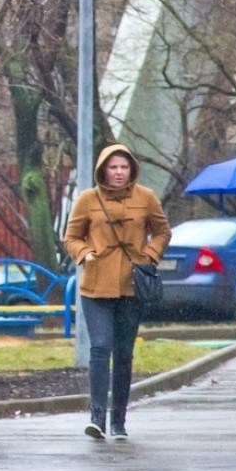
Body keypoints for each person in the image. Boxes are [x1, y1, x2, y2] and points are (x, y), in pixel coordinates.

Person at [64, 144, 171, 441]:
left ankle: (119, 421)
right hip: (96, 286)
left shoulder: (146, 198)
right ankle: (96, 418)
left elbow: (163, 232)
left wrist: (149, 255)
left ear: (132, 169)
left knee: (123, 354)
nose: (119, 172)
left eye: (124, 167)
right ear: (103, 170)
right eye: (113, 167)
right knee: (100, 347)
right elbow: (71, 237)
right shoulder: (87, 199)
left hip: (132, 286)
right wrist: (84, 253)